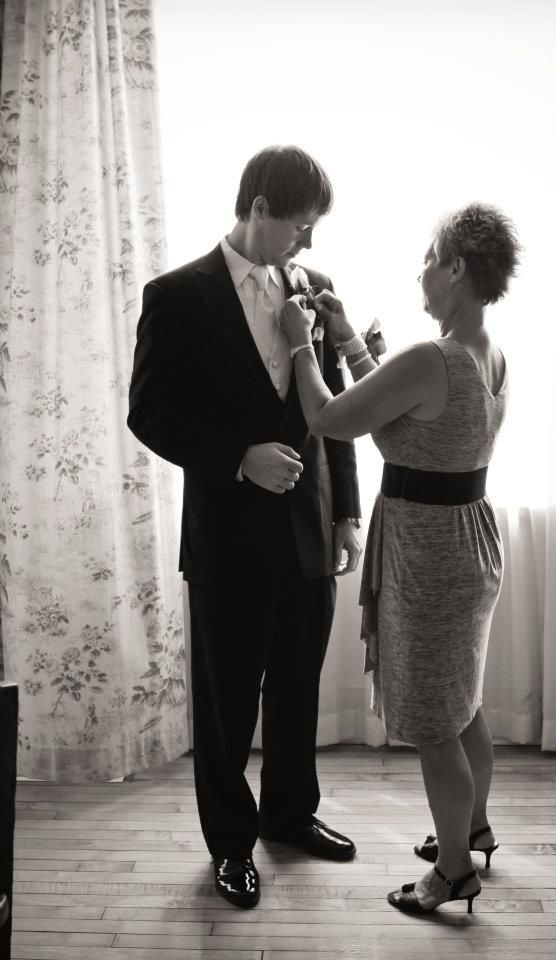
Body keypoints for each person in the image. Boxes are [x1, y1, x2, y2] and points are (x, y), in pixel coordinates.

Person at [127, 145, 363, 910]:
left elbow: (335, 416)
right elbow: (150, 413)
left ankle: (291, 816)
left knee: (297, 690)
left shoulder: (317, 289)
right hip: (228, 539)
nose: (309, 243)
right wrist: (237, 458)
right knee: (228, 704)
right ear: (259, 208)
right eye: (301, 225)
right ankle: (231, 844)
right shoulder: (176, 295)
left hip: (308, 534)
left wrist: (346, 510)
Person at [279, 202, 520, 915]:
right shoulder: (486, 351)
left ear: (456, 269)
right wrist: (351, 336)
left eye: (429, 256)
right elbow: (403, 415)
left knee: (435, 723)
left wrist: (302, 344)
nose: (420, 269)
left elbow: (333, 417)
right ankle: (472, 829)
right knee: (463, 702)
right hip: (469, 539)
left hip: (430, 553)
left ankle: (451, 872)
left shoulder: (431, 357)